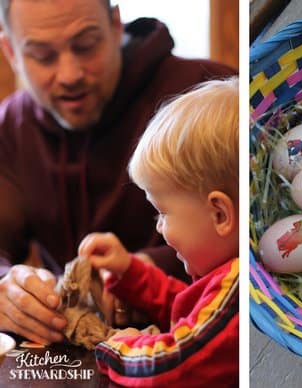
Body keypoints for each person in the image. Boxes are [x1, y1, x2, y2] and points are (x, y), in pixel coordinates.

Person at [0, 0, 236, 346]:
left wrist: (141, 272)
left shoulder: (208, 97)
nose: (70, 74)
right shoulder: (10, 130)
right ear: (10, 51)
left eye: (86, 45)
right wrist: (7, 287)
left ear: (115, 25)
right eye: (43, 56)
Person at [77, 77, 238, 385]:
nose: (159, 226)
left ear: (219, 214)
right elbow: (190, 310)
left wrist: (116, 346)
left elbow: (173, 363)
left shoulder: (236, 290)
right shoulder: (224, 285)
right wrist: (130, 272)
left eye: (163, 213)